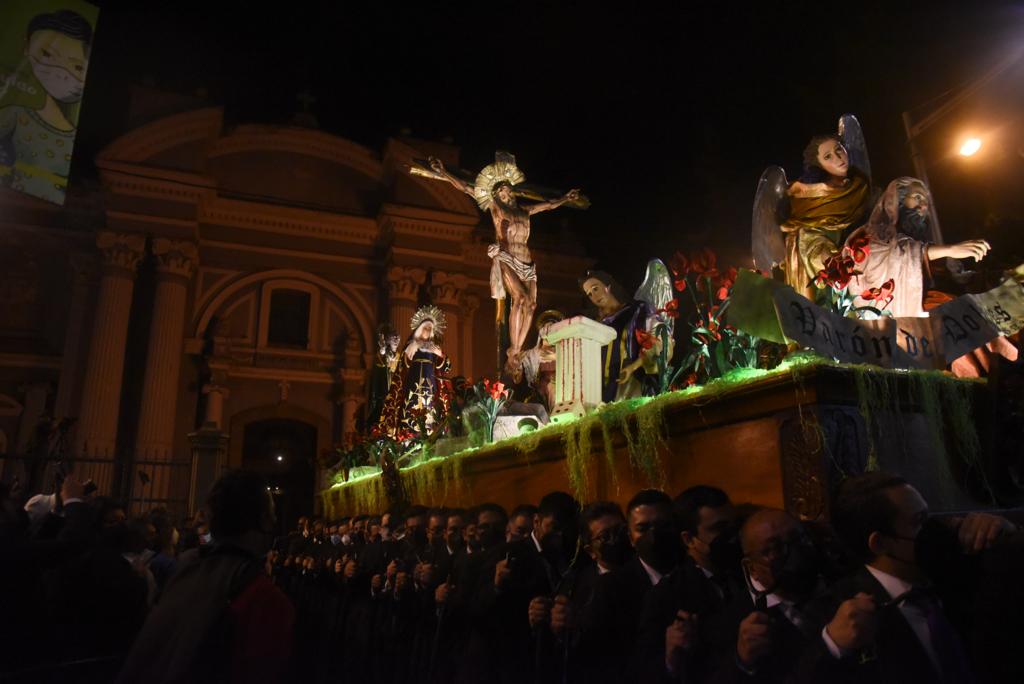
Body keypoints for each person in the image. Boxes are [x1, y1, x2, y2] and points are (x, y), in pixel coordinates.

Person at [825, 471, 1021, 683]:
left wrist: (1010, 537)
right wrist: (834, 646)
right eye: (919, 521)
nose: (933, 529)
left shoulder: (958, 567)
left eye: (929, 516)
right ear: (880, 543)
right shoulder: (840, 612)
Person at [116, 470, 294, 684]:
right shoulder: (266, 599)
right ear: (264, 521)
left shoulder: (186, 569)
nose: (275, 519)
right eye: (271, 512)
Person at [429, 153, 580, 370]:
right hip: (507, 256)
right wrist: (443, 171)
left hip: (527, 261)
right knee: (518, 298)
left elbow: (547, 205)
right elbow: (465, 188)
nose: (505, 193)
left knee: (532, 304)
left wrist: (566, 198)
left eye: (507, 189)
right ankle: (514, 349)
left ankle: (517, 348)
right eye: (500, 190)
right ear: (496, 194)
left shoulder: (524, 211)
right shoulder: (496, 208)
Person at [844, 177, 992, 318]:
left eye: (926, 201)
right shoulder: (874, 234)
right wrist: (948, 250)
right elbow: (888, 257)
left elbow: (957, 276)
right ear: (897, 199)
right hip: (912, 315)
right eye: (917, 197)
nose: (924, 205)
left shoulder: (923, 243)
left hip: (941, 303)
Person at [0, 10, 93, 204]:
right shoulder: (15, 114)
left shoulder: (73, 137)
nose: (61, 72)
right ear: (27, 47)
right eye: (47, 54)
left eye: (77, 67)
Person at [780, 134, 872, 299]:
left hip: (865, 262)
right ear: (819, 165)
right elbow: (809, 240)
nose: (838, 158)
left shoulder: (860, 187)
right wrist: (830, 261)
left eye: (839, 150)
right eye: (828, 156)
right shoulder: (814, 198)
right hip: (831, 275)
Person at [376, 305, 452, 439]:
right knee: (410, 411)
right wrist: (413, 349)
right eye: (425, 328)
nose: (428, 331)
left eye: (430, 329)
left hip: (431, 386)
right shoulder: (411, 344)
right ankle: (407, 436)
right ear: (419, 329)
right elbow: (402, 366)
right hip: (413, 384)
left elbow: (445, 367)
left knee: (432, 414)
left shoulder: (434, 347)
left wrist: (440, 354)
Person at [580, 270, 651, 402]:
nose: (594, 296)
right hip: (603, 388)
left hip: (631, 380)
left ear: (608, 286)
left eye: (596, 288)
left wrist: (634, 366)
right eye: (589, 294)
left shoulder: (636, 310)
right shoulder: (595, 325)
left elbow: (654, 341)